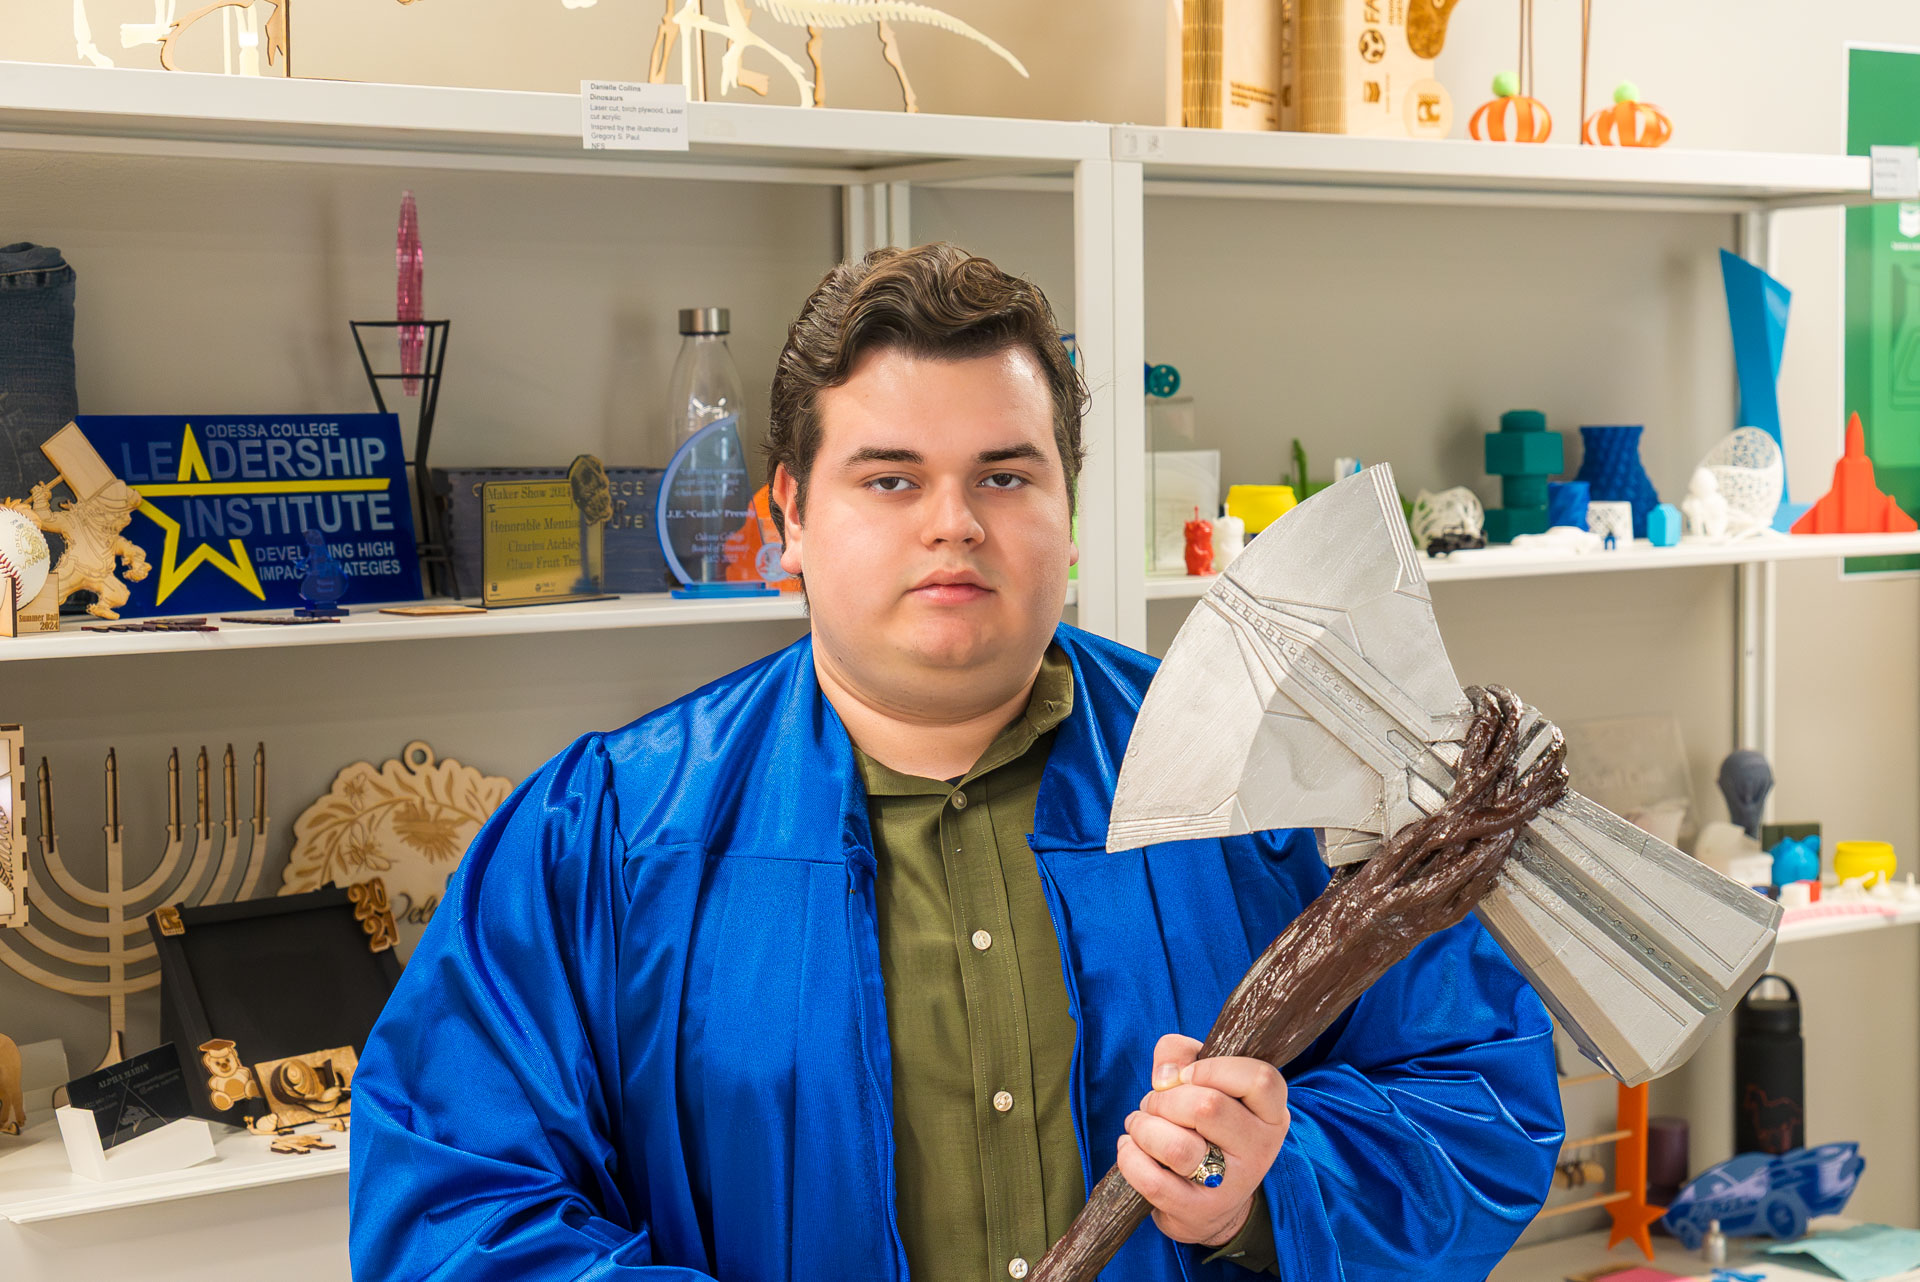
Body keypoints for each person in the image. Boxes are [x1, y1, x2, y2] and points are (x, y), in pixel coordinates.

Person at [349, 244, 1563, 1282]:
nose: (954, 523)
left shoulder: (1280, 785)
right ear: (788, 516)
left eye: (1005, 474)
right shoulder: (603, 835)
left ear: (1068, 508)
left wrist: (1268, 1186)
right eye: (889, 479)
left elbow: (1483, 1098)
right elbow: (452, 1206)